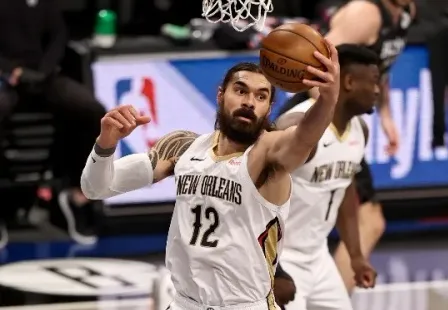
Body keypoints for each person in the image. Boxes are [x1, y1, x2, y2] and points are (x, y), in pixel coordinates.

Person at [80, 40, 341, 310]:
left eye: (261, 96)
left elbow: (303, 138)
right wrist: (106, 144)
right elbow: (95, 188)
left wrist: (328, 100)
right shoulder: (181, 148)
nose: (249, 102)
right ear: (220, 95)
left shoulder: (267, 156)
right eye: (241, 91)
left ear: (269, 107)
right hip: (185, 303)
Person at [280, 0, 416, 294]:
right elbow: (317, 69)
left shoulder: (406, 13)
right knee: (366, 219)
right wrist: (329, 121)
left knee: (358, 217)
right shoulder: (364, 13)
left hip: (338, 121)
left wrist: (387, 115)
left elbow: (379, 66)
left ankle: (326, 296)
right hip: (317, 117)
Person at [274, 44, 379, 310]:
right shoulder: (298, 127)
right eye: (375, 82)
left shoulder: (360, 130)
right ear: (350, 82)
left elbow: (344, 189)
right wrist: (272, 268)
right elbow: (253, 192)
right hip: (281, 258)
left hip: (318, 256)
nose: (378, 91)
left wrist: (356, 256)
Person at [0, 0, 106, 247]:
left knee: (92, 111)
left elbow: (59, 37)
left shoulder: (45, 4)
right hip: (6, 77)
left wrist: (43, 72)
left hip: (44, 77)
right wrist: (11, 70)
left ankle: (76, 195)